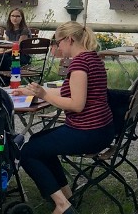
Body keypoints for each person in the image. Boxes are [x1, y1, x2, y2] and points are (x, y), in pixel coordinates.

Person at [17, 22, 113, 214]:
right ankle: (66, 194)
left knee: (28, 152)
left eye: (58, 41)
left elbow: (77, 104)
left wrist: (44, 95)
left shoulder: (79, 63)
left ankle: (62, 206)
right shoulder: (92, 58)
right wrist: (35, 92)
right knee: (38, 140)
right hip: (102, 129)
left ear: (69, 39)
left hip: (87, 132)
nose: (57, 46)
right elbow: (71, 90)